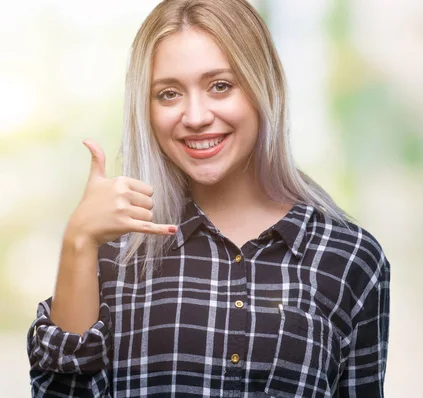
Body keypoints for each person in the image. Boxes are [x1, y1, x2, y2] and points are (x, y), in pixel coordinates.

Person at [26, 0, 390, 396]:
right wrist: (77, 241)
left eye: (220, 86)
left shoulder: (350, 258)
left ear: (262, 87)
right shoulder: (114, 251)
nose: (196, 116)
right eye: (168, 94)